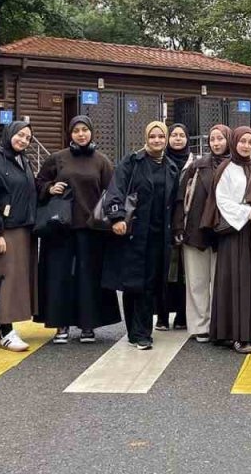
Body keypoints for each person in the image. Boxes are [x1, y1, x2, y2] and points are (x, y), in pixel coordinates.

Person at [36, 116, 122, 344]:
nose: (81, 134)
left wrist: (115, 219)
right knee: (59, 277)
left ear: (91, 133)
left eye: (85, 130)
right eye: (76, 131)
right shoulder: (58, 158)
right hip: (60, 228)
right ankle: (60, 325)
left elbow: (113, 191)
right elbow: (38, 182)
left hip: (91, 229)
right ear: (70, 134)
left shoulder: (101, 161)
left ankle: (88, 324)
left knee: (89, 278)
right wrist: (49, 187)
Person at [104, 121, 180, 350]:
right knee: (133, 282)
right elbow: (116, 188)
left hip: (159, 235)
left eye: (161, 137)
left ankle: (142, 331)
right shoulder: (132, 162)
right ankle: (136, 332)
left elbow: (174, 202)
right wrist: (116, 217)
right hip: (134, 233)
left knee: (150, 283)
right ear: (146, 138)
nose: (157, 140)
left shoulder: (171, 167)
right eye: (153, 136)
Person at [206, 127, 251, 353]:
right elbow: (222, 201)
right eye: (243, 142)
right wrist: (247, 212)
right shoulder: (225, 169)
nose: (247, 145)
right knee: (236, 282)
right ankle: (236, 335)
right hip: (235, 233)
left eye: (250, 142)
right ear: (234, 142)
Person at [0, 121, 39, 352]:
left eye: (27, 137)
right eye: (20, 135)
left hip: (24, 228)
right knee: (5, 279)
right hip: (5, 231)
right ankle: (5, 330)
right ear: (9, 134)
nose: (23, 140)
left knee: (16, 281)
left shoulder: (23, 160)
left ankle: (4, 328)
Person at [174, 124, 230, 343]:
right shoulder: (197, 166)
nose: (216, 143)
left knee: (219, 281)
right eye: (213, 139)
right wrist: (179, 226)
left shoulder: (235, 165)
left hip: (223, 232)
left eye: (221, 139)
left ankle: (218, 322)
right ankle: (199, 326)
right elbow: (181, 198)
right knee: (196, 281)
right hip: (195, 231)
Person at [157, 123, 192, 331]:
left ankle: (182, 314)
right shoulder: (160, 160)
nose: (178, 139)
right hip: (162, 222)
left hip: (185, 222)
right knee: (163, 270)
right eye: (174, 135)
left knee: (184, 272)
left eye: (181, 135)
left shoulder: (193, 163)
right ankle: (161, 314)